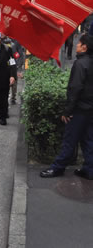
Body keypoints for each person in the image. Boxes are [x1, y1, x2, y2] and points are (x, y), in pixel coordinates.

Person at [40, 34, 93, 180]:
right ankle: (89, 169)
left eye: (79, 43)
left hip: (79, 109)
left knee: (70, 140)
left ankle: (58, 168)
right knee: (88, 140)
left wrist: (68, 110)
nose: (76, 45)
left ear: (84, 47)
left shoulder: (80, 64)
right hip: (90, 110)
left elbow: (75, 88)